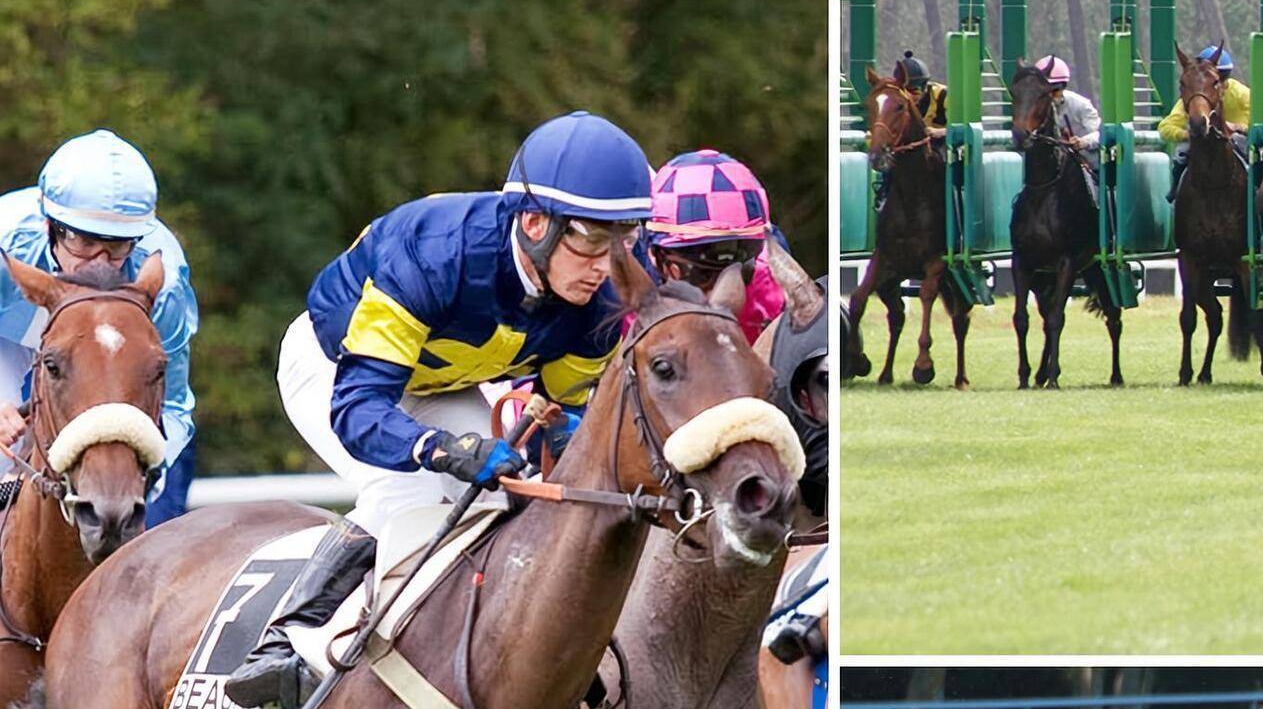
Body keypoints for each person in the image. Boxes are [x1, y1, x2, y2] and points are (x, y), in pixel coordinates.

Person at [224, 110, 653, 707]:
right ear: (535, 223)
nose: (606, 267)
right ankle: (287, 645)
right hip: (339, 368)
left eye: (624, 239)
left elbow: (559, 412)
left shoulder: (604, 293)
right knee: (411, 491)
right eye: (590, 240)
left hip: (444, 380)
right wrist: (440, 449)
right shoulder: (433, 254)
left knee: (507, 500)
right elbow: (360, 409)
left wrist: (566, 438)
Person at [0, 129, 197, 527]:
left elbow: (173, 407)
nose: (100, 263)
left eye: (118, 245)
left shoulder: (164, 284)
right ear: (50, 226)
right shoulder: (6, 244)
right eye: (83, 242)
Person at [634, 149, 785, 343]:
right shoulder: (623, 285)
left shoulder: (773, 278)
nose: (722, 294)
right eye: (702, 275)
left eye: (742, 273)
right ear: (655, 256)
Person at [1159, 45, 1251, 202]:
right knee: (1181, 152)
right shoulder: (1194, 97)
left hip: (1235, 139)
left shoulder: (1242, 94)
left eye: (1221, 78)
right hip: (1201, 142)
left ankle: (1254, 191)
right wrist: (1186, 134)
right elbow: (1165, 127)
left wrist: (1238, 127)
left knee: (1252, 155)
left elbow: (1260, 123)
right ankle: (1175, 191)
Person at [874, 50, 948, 211]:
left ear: (925, 86)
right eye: (906, 90)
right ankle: (884, 195)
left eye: (915, 91)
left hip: (940, 146)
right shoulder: (896, 102)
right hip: (907, 149)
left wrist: (940, 132)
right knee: (891, 161)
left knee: (946, 167)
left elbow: (960, 125)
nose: (911, 96)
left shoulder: (942, 94)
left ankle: (955, 207)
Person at [1032, 54, 1102, 204]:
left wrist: (1083, 142)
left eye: (1055, 90)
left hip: (1086, 165)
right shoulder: (1034, 109)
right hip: (1049, 168)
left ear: (1063, 87)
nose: (1050, 96)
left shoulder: (1081, 105)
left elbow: (1099, 134)